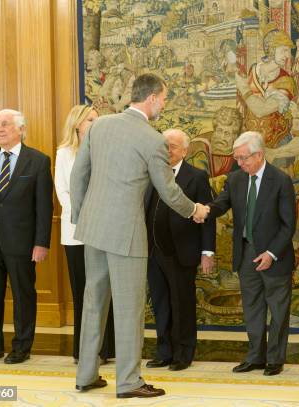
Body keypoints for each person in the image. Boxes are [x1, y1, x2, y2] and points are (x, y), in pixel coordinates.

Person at [70, 73, 210, 398]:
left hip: (93, 229)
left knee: (94, 301)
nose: (163, 103)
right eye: (163, 98)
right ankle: (129, 382)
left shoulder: (99, 125)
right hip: (127, 235)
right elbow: (170, 192)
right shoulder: (152, 139)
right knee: (130, 308)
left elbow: (79, 176)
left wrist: (83, 217)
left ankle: (86, 375)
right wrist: (196, 211)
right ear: (151, 99)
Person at [0, 109, 53, 364]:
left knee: (23, 295)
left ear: (21, 129)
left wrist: (41, 242)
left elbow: (44, 207)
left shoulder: (38, 161)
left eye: (5, 124)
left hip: (22, 244)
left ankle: (21, 346)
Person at [206, 131, 296, 376]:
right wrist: (202, 210)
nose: (239, 163)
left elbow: (289, 225)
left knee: (278, 310)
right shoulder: (235, 179)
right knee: (252, 308)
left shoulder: (280, 180)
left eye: (243, 158)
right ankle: (256, 356)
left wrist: (271, 253)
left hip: (274, 257)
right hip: (246, 253)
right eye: (237, 158)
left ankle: (275, 359)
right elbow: (220, 204)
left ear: (259, 154)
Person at [144, 128, 216, 371]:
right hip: (153, 252)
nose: (167, 150)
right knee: (161, 304)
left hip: (181, 252)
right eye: (164, 145)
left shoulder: (196, 176)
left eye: (172, 146)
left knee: (182, 304)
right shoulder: (152, 173)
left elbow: (207, 216)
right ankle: (164, 351)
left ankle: (183, 354)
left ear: (185, 150)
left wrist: (207, 252)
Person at [54, 105, 115, 364]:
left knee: (104, 289)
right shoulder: (64, 153)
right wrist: (84, 216)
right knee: (83, 292)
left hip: (102, 231)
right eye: (91, 119)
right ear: (77, 123)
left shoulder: (104, 150)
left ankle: (106, 349)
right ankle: (84, 351)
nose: (94, 123)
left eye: (97, 119)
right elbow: (63, 192)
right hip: (76, 233)